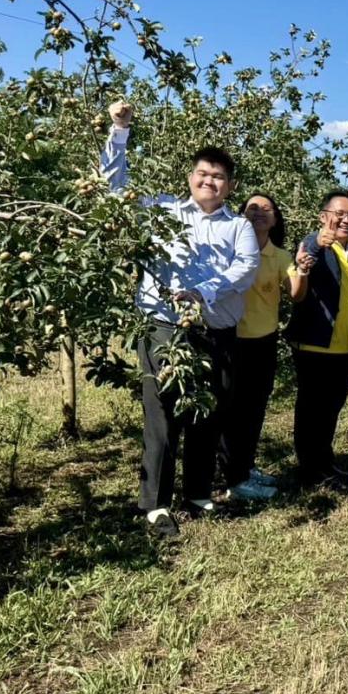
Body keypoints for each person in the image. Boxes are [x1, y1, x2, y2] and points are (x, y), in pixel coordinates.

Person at [99, 100, 259, 538]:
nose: (210, 181)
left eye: (219, 177)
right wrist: (119, 129)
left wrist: (202, 292)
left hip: (216, 330)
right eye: (203, 174)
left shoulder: (239, 226)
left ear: (228, 186)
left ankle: (198, 491)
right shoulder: (162, 210)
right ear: (191, 178)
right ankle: (155, 504)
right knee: (163, 414)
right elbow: (115, 192)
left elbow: (244, 268)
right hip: (164, 327)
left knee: (209, 410)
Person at [219, 192, 307, 502]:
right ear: (240, 215)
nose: (259, 213)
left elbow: (295, 293)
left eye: (267, 208)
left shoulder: (282, 257)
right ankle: (234, 477)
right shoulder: (227, 251)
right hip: (231, 340)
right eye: (252, 208)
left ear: (276, 218)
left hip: (264, 342)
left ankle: (244, 467)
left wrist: (303, 269)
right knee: (231, 411)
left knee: (254, 409)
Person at [284, 189, 348, 488]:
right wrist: (315, 245)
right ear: (324, 217)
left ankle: (324, 462)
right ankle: (310, 469)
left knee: (332, 407)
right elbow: (307, 252)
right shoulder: (316, 243)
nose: (346, 219)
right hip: (314, 343)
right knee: (311, 409)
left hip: (345, 345)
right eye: (340, 213)